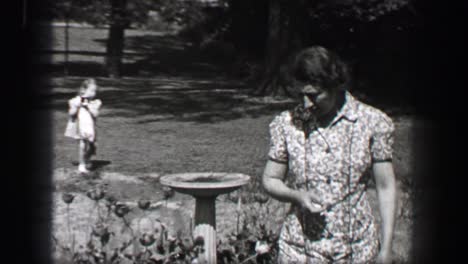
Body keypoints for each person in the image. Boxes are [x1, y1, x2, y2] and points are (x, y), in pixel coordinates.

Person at [262, 46, 397, 263]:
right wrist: (297, 196)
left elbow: (385, 187)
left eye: (314, 95)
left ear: (334, 85)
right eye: (302, 95)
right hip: (300, 252)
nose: (306, 103)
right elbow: (270, 179)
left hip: (356, 252)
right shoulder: (286, 124)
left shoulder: (373, 123)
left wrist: (387, 247)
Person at [64, 78, 102, 174]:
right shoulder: (76, 100)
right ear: (84, 90)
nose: (94, 93)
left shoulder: (96, 102)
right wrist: (77, 106)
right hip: (81, 127)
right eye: (91, 90)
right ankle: (82, 164)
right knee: (83, 145)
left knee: (93, 147)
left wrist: (87, 106)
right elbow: (71, 113)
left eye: (95, 91)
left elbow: (96, 114)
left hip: (91, 128)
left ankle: (86, 159)